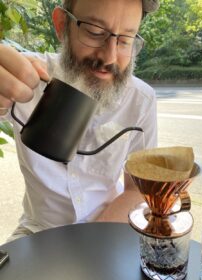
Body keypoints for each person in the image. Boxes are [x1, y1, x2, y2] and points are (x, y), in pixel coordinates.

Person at [0, 0, 159, 241]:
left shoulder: (141, 101)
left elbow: (137, 190)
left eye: (125, 40)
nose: (109, 57)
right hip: (38, 230)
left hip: (107, 229)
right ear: (62, 24)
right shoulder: (22, 75)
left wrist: (88, 243)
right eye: (95, 32)